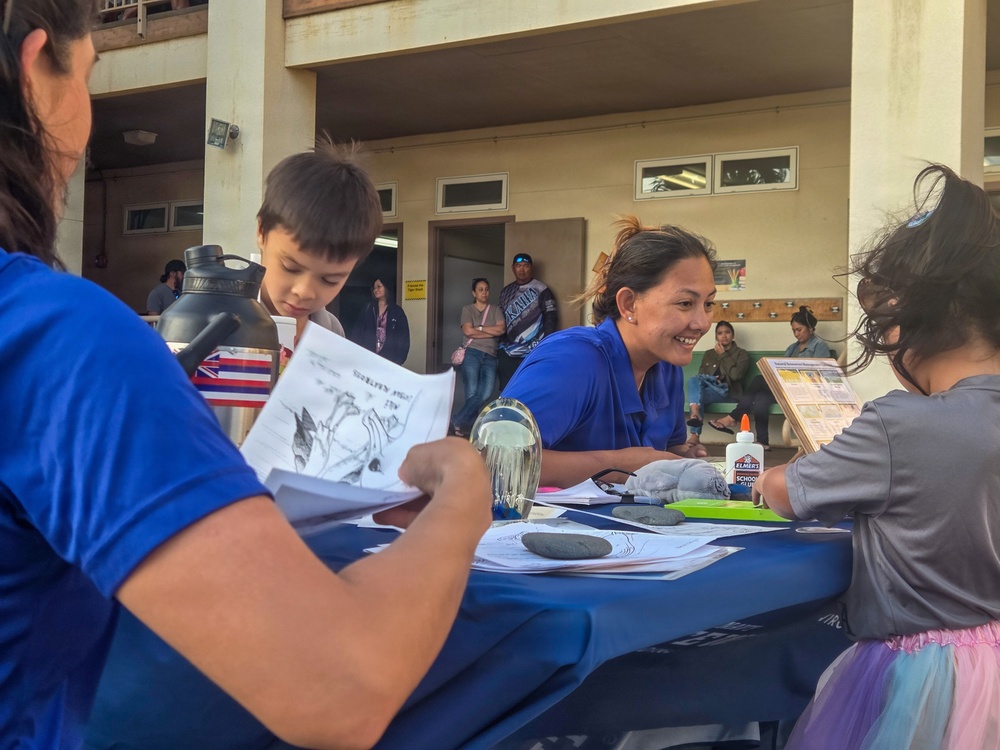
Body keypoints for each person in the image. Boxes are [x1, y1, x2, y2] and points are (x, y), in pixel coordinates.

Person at [0, 3, 491, 748]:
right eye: (93, 72)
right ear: (38, 67)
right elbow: (338, 687)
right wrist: (462, 494)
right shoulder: (59, 339)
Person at [753, 164, 1000, 749]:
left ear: (902, 328)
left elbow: (787, 493)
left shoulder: (900, 421)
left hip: (920, 674)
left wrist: (773, 473)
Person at [502, 218, 713, 488]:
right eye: (685, 303)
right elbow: (496, 458)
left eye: (708, 303)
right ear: (629, 304)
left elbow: (668, 448)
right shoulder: (574, 360)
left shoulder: (667, 366)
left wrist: (682, 459)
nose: (703, 323)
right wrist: (615, 466)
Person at [256, 141, 381, 344]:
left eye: (330, 280)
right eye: (290, 267)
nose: (304, 291)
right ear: (262, 232)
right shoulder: (215, 323)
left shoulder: (331, 332)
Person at [708, 305, 831, 448]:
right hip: (787, 387)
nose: (796, 334)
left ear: (810, 328)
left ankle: (734, 417)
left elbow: (821, 373)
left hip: (805, 389)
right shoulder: (793, 348)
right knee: (761, 398)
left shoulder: (819, 345)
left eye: (799, 330)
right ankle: (763, 442)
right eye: (793, 331)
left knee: (759, 380)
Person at [496, 252, 558, 390]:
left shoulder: (542, 289)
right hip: (509, 351)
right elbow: (499, 318)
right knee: (508, 389)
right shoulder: (506, 291)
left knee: (530, 388)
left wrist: (545, 344)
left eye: (525, 266)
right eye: (518, 266)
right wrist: (500, 344)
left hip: (533, 350)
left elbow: (551, 318)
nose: (522, 269)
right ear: (513, 268)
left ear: (531, 268)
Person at [452, 277, 505, 436]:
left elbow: (501, 330)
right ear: (474, 292)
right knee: (472, 390)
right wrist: (490, 331)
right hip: (472, 353)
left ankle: (458, 419)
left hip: (490, 355)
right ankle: (470, 428)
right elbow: (468, 331)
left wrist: (479, 327)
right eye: (480, 289)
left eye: (487, 289)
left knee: (486, 392)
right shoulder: (467, 309)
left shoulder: (495, 309)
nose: (484, 292)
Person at [685, 320, 749, 445]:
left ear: (733, 335)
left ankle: (694, 432)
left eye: (727, 332)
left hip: (729, 392)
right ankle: (695, 414)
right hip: (711, 389)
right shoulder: (709, 354)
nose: (724, 336)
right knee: (695, 383)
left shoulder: (742, 354)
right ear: (716, 336)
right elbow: (700, 377)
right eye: (720, 333)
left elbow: (736, 376)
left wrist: (723, 355)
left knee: (697, 396)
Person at [352, 277, 410, 364]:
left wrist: (399, 361)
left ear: (386, 288)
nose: (376, 290)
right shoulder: (368, 309)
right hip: (368, 359)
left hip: (389, 360)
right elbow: (357, 332)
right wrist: (357, 354)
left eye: (379, 287)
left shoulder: (397, 311)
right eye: (374, 287)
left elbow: (403, 337)